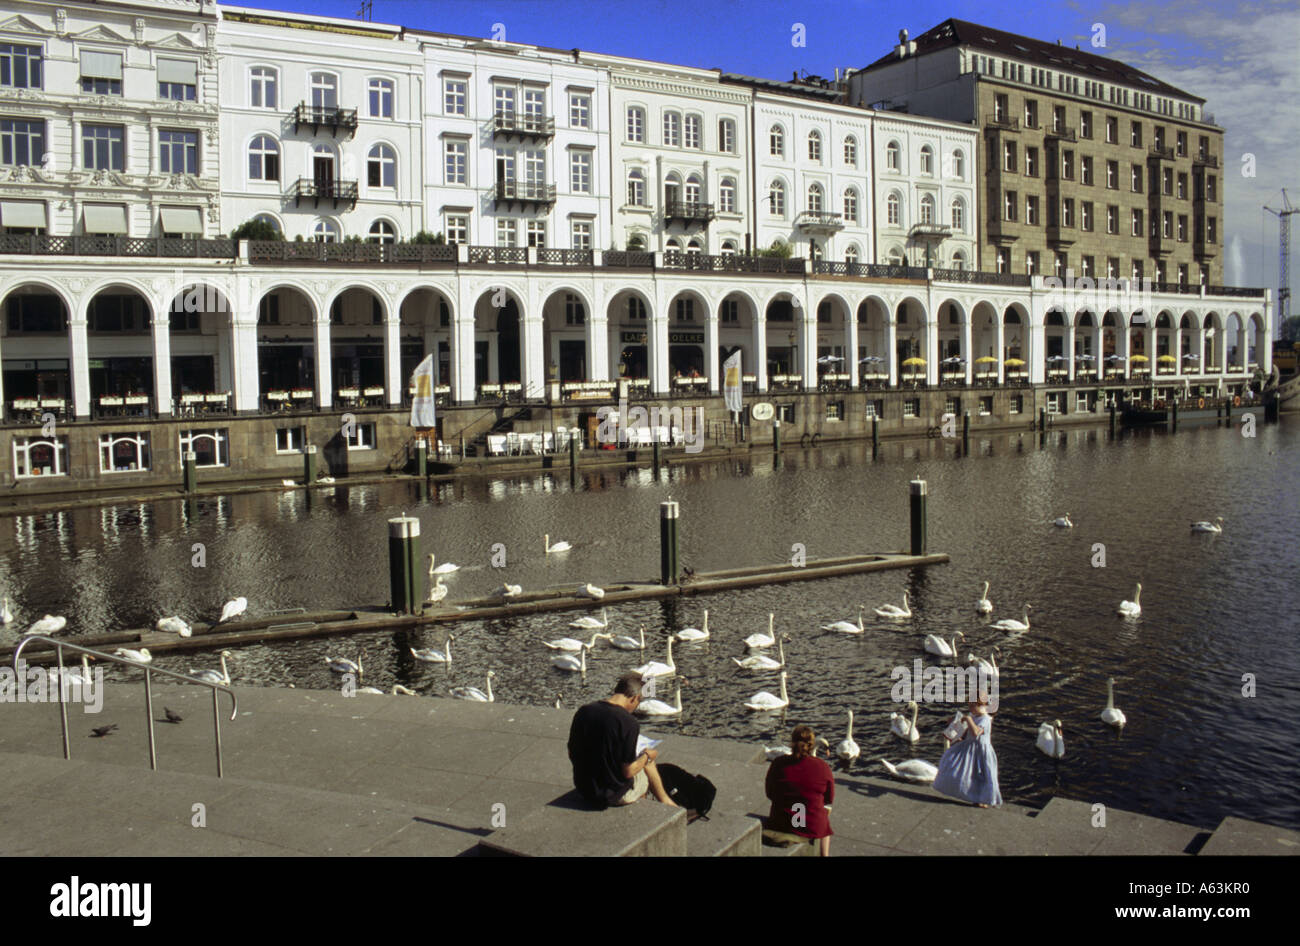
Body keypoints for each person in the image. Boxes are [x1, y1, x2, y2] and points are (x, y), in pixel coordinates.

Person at [567, 672, 677, 809]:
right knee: (646, 761)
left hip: (584, 789)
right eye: (638, 702)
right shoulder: (628, 722)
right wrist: (648, 756)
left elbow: (571, 752)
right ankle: (661, 802)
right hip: (612, 795)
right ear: (634, 698)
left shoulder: (584, 711)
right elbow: (628, 771)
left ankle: (661, 800)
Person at [765, 725, 834, 856]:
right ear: (811, 745)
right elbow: (829, 798)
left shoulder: (778, 763)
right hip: (809, 826)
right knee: (824, 815)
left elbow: (769, 793)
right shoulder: (822, 766)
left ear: (792, 743)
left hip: (781, 822)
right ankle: (824, 855)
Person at [933, 693, 1002, 808]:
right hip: (969, 748)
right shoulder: (973, 716)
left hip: (981, 751)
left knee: (982, 775)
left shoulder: (985, 719)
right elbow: (967, 732)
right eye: (969, 705)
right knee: (965, 771)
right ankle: (973, 796)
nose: (970, 709)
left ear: (982, 705)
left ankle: (984, 799)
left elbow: (976, 732)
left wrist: (969, 720)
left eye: (973, 705)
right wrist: (955, 724)